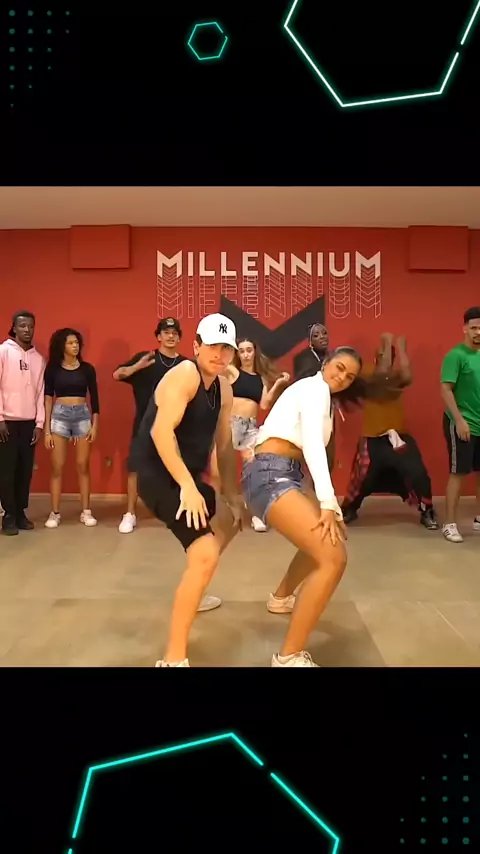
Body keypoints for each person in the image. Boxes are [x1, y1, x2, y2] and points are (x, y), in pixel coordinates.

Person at [242, 347, 367, 667]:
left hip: (286, 472)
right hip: (271, 473)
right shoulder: (314, 388)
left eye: (350, 376)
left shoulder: (322, 397)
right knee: (333, 557)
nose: (342, 377)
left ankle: (281, 598)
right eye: (339, 368)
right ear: (326, 363)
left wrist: (328, 506)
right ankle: (288, 657)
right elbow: (312, 444)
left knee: (326, 538)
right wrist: (328, 501)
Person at [132, 313, 243, 667]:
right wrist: (187, 487)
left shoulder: (223, 388)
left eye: (226, 348)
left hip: (189, 477)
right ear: (195, 345)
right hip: (159, 475)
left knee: (229, 521)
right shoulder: (184, 375)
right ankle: (173, 658)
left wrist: (232, 495)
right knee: (205, 553)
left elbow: (224, 446)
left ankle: (195, 587)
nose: (219, 354)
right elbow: (161, 432)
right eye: (212, 346)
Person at [341, 333, 438, 530]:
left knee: (418, 473)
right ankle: (350, 508)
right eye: (383, 354)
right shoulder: (368, 374)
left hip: (398, 437)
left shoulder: (396, 377)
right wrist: (386, 343)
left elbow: (407, 376)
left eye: (389, 355)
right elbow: (382, 375)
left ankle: (427, 510)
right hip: (372, 438)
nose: (386, 357)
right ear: (376, 356)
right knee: (362, 479)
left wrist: (401, 349)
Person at [113, 317, 187, 535]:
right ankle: (130, 514)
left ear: (179, 338)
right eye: (166, 332)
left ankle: (179, 511)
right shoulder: (146, 359)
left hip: (175, 425)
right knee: (136, 468)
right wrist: (138, 367)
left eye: (174, 333)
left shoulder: (186, 365)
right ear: (158, 336)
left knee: (176, 467)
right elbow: (117, 375)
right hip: (145, 424)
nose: (170, 336)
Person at [214, 338, 290, 532]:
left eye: (249, 350)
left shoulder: (260, 379)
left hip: (250, 428)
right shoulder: (233, 372)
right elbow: (220, 364)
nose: (246, 354)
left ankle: (256, 513)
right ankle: (216, 512)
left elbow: (264, 404)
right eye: (242, 351)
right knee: (218, 470)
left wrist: (278, 383)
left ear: (255, 352)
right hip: (231, 425)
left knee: (254, 471)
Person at [43, 328, 100, 528]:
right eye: (70, 343)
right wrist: (47, 430)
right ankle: (55, 513)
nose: (75, 346)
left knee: (83, 465)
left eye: (77, 342)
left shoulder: (87, 369)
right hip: (60, 416)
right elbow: (48, 399)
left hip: (82, 416)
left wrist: (95, 425)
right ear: (62, 346)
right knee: (57, 466)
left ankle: (86, 511)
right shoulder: (53, 369)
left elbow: (95, 398)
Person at [0, 311, 46, 535]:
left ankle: (20, 512)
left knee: (25, 471)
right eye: (22, 326)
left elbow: (40, 393)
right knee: (7, 470)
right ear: (14, 328)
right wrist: (0, 418)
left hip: (29, 423)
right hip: (6, 422)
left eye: (30, 326)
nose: (27, 330)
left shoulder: (39, 359)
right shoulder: (3, 352)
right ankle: (8, 515)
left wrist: (39, 423)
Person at [441, 306, 480, 543]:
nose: (478, 332)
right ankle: (450, 524)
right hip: (463, 423)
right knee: (458, 473)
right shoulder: (456, 356)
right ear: (465, 328)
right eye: (474, 328)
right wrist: (459, 420)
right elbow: (446, 390)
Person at [294, 322, 336, 473]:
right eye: (316, 335)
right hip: (310, 413)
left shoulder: (333, 357)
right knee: (310, 460)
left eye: (324, 333)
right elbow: (302, 383)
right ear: (310, 341)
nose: (322, 337)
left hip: (328, 410)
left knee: (328, 458)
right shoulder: (303, 358)